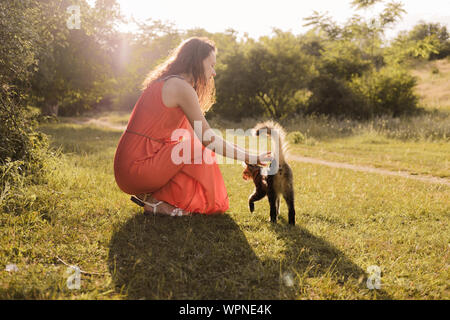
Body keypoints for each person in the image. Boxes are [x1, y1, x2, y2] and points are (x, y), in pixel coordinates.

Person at [114, 37, 273, 217]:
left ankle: (156, 200)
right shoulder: (180, 87)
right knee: (196, 147)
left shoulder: (167, 81)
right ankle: (160, 201)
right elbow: (208, 139)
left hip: (128, 167)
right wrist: (250, 156)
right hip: (136, 168)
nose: (213, 73)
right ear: (198, 62)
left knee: (191, 142)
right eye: (211, 65)